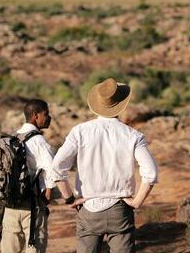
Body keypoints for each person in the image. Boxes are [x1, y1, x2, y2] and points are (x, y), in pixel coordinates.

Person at [51, 78, 159, 253]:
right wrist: (137, 201)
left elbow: (57, 166)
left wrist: (70, 199)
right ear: (121, 105)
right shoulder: (133, 135)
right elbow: (151, 173)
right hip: (120, 210)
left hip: (88, 208)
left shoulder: (80, 131)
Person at [1, 99, 67, 253]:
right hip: (32, 206)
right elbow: (53, 172)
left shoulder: (12, 137)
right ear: (36, 115)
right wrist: (47, 196)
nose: (49, 118)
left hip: (10, 206)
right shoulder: (39, 141)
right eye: (46, 114)